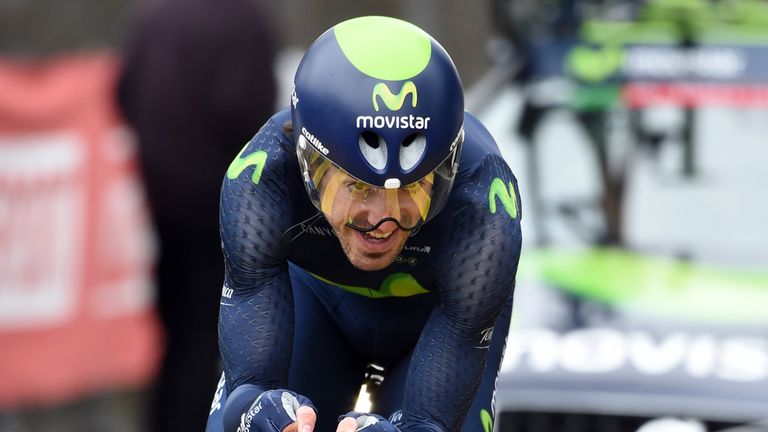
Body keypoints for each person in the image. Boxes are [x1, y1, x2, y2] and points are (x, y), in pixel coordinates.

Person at [206, 16, 522, 432]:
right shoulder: (262, 178)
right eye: (357, 186)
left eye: (413, 184)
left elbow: (431, 424)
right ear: (308, 165)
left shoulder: (484, 204)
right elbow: (247, 393)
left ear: (447, 168)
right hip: (314, 303)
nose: (382, 218)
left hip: (436, 322)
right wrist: (257, 411)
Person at [115, 0, 277, 430]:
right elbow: (247, 110)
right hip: (225, 208)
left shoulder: (154, 16)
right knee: (214, 340)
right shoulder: (244, 20)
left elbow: (122, 94)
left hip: (165, 205)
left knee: (177, 337)